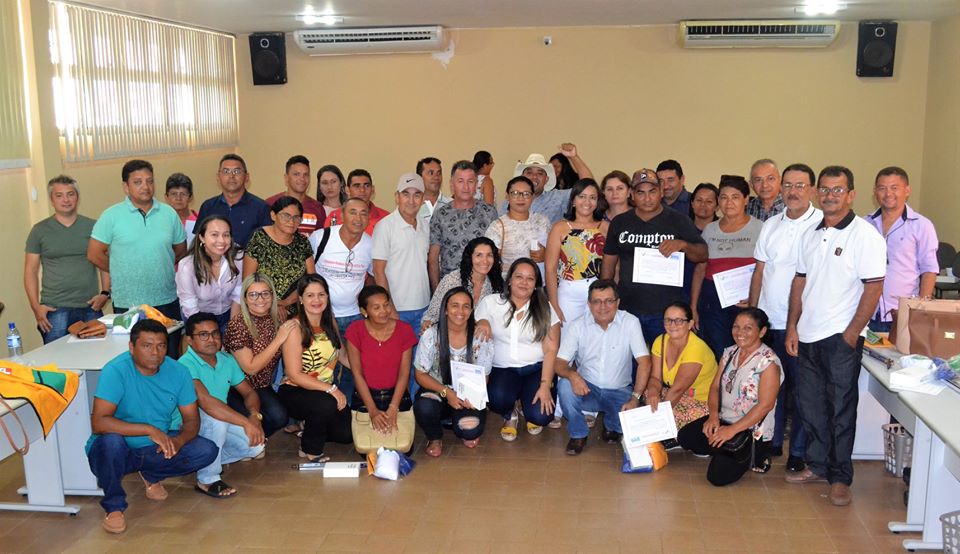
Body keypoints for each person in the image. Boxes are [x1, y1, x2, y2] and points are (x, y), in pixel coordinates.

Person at [784, 166, 886, 507]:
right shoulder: (809, 235)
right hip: (808, 335)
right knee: (810, 406)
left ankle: (841, 477)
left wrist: (852, 333)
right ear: (817, 193)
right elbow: (800, 281)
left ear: (851, 194)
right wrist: (793, 326)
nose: (830, 196)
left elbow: (874, 287)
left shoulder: (865, 235)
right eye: (825, 190)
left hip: (841, 338)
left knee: (841, 408)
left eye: (838, 190)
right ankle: (817, 465)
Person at [86, 319, 217, 534]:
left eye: (161, 346)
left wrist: (178, 441)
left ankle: (151, 474)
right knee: (111, 443)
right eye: (147, 346)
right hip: (118, 447)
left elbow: (191, 420)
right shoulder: (115, 370)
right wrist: (149, 429)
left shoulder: (179, 372)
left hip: (154, 447)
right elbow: (99, 423)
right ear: (132, 347)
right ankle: (114, 507)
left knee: (205, 450)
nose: (155, 353)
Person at [749, 163, 822, 473]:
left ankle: (799, 451)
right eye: (788, 185)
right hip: (770, 321)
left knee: (802, 391)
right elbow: (760, 271)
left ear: (812, 190)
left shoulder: (822, 225)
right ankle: (772, 442)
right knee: (770, 388)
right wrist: (752, 317)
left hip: (805, 325)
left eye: (800, 185)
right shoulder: (771, 224)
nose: (793, 191)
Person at [88, 159, 186, 355]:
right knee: (134, 359)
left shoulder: (169, 214)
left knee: (169, 357)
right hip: (128, 304)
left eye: (150, 181)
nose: (145, 187)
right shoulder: (111, 216)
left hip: (166, 300)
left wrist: (158, 263)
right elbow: (94, 254)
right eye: (138, 182)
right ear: (126, 186)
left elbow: (181, 250)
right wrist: (120, 268)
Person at [601, 168, 707, 346]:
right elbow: (608, 263)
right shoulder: (620, 222)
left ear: (661, 192)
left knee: (664, 358)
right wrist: (606, 299)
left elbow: (702, 254)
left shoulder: (678, 220)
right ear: (632, 194)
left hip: (666, 311)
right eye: (640, 193)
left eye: (652, 191)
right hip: (628, 309)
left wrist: (683, 245)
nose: (647, 198)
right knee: (631, 359)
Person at [677, 308, 782, 486]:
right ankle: (724, 449)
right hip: (725, 420)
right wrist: (713, 417)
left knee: (717, 477)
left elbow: (765, 405)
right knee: (686, 437)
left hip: (750, 431)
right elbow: (715, 387)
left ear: (762, 331)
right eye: (736, 326)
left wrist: (732, 431)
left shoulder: (768, 363)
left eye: (748, 328)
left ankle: (754, 455)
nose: (740, 332)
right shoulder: (730, 352)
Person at [555, 280, 652, 455]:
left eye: (609, 301)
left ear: (618, 302)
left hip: (619, 391)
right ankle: (578, 434)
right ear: (589, 304)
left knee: (620, 428)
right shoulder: (578, 325)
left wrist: (635, 398)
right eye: (597, 301)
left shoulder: (630, 322)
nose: (603, 307)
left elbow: (645, 362)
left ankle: (611, 425)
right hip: (588, 389)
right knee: (564, 386)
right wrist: (573, 375)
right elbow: (559, 363)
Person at [178, 313, 265, 498]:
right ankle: (207, 478)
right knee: (216, 421)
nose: (211, 339)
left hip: (217, 421)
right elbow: (206, 403)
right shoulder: (184, 365)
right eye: (203, 335)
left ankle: (199, 460)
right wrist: (246, 423)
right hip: (186, 424)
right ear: (190, 340)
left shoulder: (226, 359)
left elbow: (249, 393)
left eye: (215, 333)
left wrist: (254, 415)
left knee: (256, 446)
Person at [476, 258, 560, 441]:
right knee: (497, 400)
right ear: (509, 280)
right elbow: (479, 322)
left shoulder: (545, 307)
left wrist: (545, 385)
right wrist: (482, 322)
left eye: (530, 278)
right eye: (519, 277)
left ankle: (526, 404)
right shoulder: (491, 303)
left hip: (536, 369)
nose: (524, 282)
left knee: (540, 416)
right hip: (502, 369)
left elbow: (551, 350)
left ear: (536, 284)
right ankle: (510, 412)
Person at [25, 175, 110, 344]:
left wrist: (105, 294)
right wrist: (36, 308)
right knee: (56, 358)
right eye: (59, 195)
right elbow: (30, 271)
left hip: (90, 307)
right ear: (51, 200)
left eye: (70, 194)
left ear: (77, 197)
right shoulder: (39, 230)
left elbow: (104, 263)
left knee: (96, 354)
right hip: (54, 310)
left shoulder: (94, 226)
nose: (66, 200)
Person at [278, 274, 352, 462]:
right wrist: (332, 389)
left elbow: (342, 356)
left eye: (321, 294)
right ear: (301, 299)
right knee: (326, 404)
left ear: (327, 296)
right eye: (310, 295)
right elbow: (294, 374)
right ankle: (310, 449)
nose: (316, 300)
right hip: (296, 389)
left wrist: (366, 370)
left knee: (345, 434)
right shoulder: (294, 327)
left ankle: (309, 427)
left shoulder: (330, 321)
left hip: (324, 390)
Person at [414, 287, 494, 456]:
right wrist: (447, 392)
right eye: (455, 305)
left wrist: (473, 396)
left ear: (471, 311)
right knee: (425, 406)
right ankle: (435, 437)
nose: (460, 311)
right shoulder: (431, 335)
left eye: (466, 306)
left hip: (467, 395)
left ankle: (459, 421)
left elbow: (484, 376)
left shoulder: (480, 337)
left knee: (470, 430)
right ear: (445, 310)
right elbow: (420, 374)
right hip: (438, 391)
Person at [690, 175, 763, 360]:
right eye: (724, 197)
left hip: (745, 302)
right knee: (718, 353)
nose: (729, 202)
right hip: (712, 303)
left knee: (746, 353)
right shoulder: (710, 229)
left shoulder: (760, 228)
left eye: (735, 197)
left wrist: (755, 297)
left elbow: (767, 270)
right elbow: (700, 269)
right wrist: (693, 306)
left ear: (746, 199)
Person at [223, 273, 299, 437]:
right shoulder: (238, 325)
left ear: (272, 295)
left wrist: (290, 374)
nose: (260, 299)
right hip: (235, 386)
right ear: (245, 298)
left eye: (265, 293)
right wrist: (278, 339)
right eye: (253, 295)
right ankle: (246, 438)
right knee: (251, 420)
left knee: (280, 418)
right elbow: (250, 368)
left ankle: (257, 438)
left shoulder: (276, 318)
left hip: (261, 385)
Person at [864, 166, 938, 332]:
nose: (888, 193)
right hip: (866, 312)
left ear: (907, 190)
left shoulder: (921, 225)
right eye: (882, 188)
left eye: (894, 188)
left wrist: (921, 310)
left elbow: (929, 269)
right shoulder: (865, 225)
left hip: (902, 313)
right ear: (875, 192)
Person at [344, 286, 417, 442]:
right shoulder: (355, 331)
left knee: (401, 448)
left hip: (396, 395)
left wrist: (393, 407)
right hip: (366, 396)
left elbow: (404, 373)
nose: (384, 311)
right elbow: (357, 373)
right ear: (364, 311)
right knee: (367, 448)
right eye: (376, 307)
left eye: (386, 305)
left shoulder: (404, 330)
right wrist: (372, 411)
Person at [645, 302, 718, 441]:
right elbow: (655, 378)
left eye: (679, 320)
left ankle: (671, 436)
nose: (672, 325)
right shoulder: (660, 341)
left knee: (657, 417)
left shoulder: (696, 348)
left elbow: (678, 390)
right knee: (649, 395)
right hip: (676, 394)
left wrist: (657, 418)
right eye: (668, 320)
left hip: (702, 401)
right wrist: (653, 393)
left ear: (690, 324)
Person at [372, 173, 431, 335]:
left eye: (417, 195)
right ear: (397, 197)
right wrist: (389, 307)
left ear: (423, 198)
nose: (411, 200)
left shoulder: (425, 225)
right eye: (406, 194)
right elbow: (378, 271)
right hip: (397, 309)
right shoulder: (385, 226)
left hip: (424, 306)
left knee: (422, 352)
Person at [545, 178, 608, 324]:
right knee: (567, 334)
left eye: (592, 197)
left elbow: (612, 264)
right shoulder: (560, 227)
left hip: (598, 291)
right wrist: (553, 303)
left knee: (596, 335)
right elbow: (550, 268)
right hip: (569, 291)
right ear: (573, 200)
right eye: (582, 196)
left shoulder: (605, 227)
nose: (587, 202)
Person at [428, 160, 499, 289]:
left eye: (470, 181)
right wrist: (437, 291)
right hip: (450, 287)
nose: (465, 187)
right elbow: (433, 258)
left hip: (483, 286)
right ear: (452, 184)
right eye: (460, 181)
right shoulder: (440, 215)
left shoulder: (489, 212)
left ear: (476, 185)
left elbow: (496, 252)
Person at [313, 197, 374, 339]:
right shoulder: (320, 237)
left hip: (356, 315)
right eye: (353, 212)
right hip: (322, 314)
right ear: (342, 215)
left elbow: (373, 276)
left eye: (363, 213)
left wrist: (365, 300)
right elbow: (307, 274)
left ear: (368, 218)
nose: (358, 218)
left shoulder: (371, 245)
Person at [242, 197, 315, 316]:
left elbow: (311, 280)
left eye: (296, 217)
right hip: (262, 306)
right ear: (273, 215)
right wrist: (272, 304)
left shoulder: (303, 242)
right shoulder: (259, 238)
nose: (291, 221)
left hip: (297, 307)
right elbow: (248, 281)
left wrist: (286, 302)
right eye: (286, 216)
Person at [175, 215, 241, 334]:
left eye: (226, 235)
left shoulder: (237, 257)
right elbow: (189, 305)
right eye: (214, 235)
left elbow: (238, 294)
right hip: (197, 316)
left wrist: (233, 327)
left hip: (229, 313)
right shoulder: (187, 265)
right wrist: (205, 334)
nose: (221, 240)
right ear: (202, 237)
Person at [422, 237, 503, 331]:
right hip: (450, 334)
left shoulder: (496, 284)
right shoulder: (452, 280)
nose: (485, 261)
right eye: (479, 255)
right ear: (470, 258)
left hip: (481, 337)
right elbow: (431, 318)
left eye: (489, 255)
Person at [196, 154, 272, 249]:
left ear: (247, 177)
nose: (231, 176)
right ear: (218, 177)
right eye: (226, 171)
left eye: (237, 171)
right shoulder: (208, 207)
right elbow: (199, 241)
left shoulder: (261, 208)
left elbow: (267, 245)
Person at [500, 144, 589, 224]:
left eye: (540, 173)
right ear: (522, 176)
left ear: (546, 179)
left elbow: (588, 187)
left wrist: (574, 157)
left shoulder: (557, 198)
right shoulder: (509, 202)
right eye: (529, 172)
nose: (534, 176)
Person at [485, 176, 551, 277]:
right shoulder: (497, 227)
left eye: (526, 194)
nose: (521, 198)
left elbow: (557, 252)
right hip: (510, 282)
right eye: (515, 193)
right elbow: (488, 260)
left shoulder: (542, 221)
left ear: (533, 197)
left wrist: (547, 255)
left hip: (540, 281)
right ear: (507, 196)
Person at [266, 155, 326, 236]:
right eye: (296, 174)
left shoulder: (318, 208)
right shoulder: (270, 204)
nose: (302, 179)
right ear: (286, 178)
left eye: (306, 175)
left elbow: (321, 239)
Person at [323, 169, 389, 234]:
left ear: (372, 189)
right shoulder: (334, 217)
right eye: (357, 186)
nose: (362, 190)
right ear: (347, 190)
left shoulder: (386, 218)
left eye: (367, 185)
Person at [165, 172, 198, 248]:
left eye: (183, 194)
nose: (178, 198)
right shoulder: (160, 221)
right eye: (173, 194)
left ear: (191, 197)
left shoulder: (200, 219)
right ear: (166, 197)